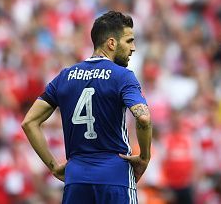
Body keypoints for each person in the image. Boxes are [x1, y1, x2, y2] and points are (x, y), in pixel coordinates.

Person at [22, 11, 152, 204]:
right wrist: (144, 158)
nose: (133, 48)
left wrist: (53, 166)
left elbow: (29, 122)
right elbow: (143, 118)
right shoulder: (122, 76)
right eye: (129, 41)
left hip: (77, 178)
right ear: (111, 43)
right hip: (114, 175)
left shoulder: (65, 77)